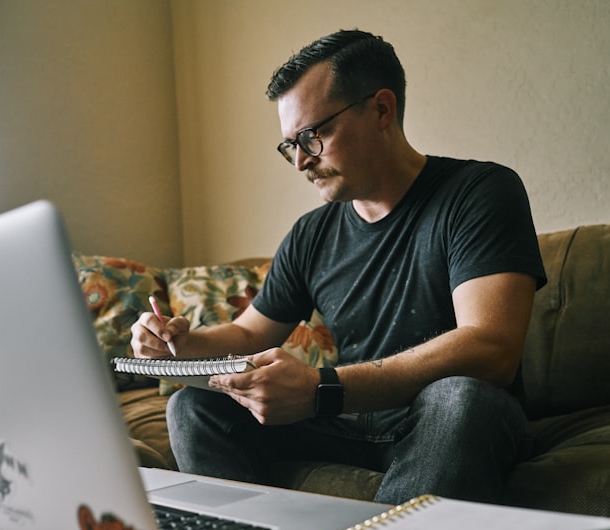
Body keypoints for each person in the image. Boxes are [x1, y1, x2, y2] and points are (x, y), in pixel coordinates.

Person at [130, 29, 547, 505]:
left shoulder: (479, 192)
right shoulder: (311, 234)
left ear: (382, 110)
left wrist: (322, 388)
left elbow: (491, 347)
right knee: (194, 406)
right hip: (352, 425)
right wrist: (181, 345)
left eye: (313, 135)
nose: (301, 162)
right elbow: (249, 336)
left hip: (454, 420)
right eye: (291, 145)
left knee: (458, 398)